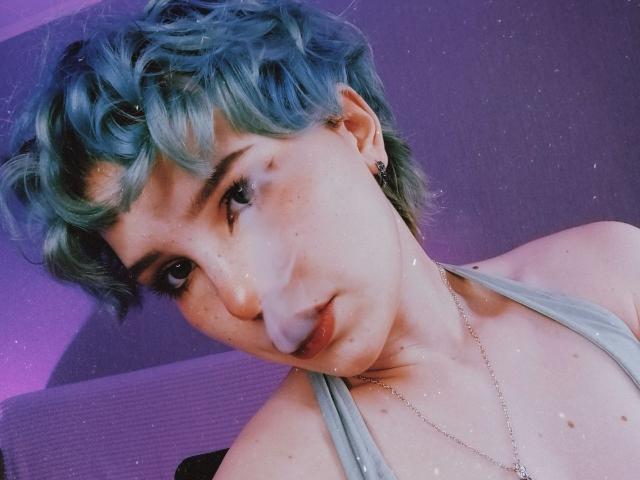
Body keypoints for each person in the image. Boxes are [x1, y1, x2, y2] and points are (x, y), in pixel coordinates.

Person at [1, 0, 639, 478]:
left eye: (239, 195)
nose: (242, 297)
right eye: (177, 273)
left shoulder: (609, 273)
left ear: (356, 130)